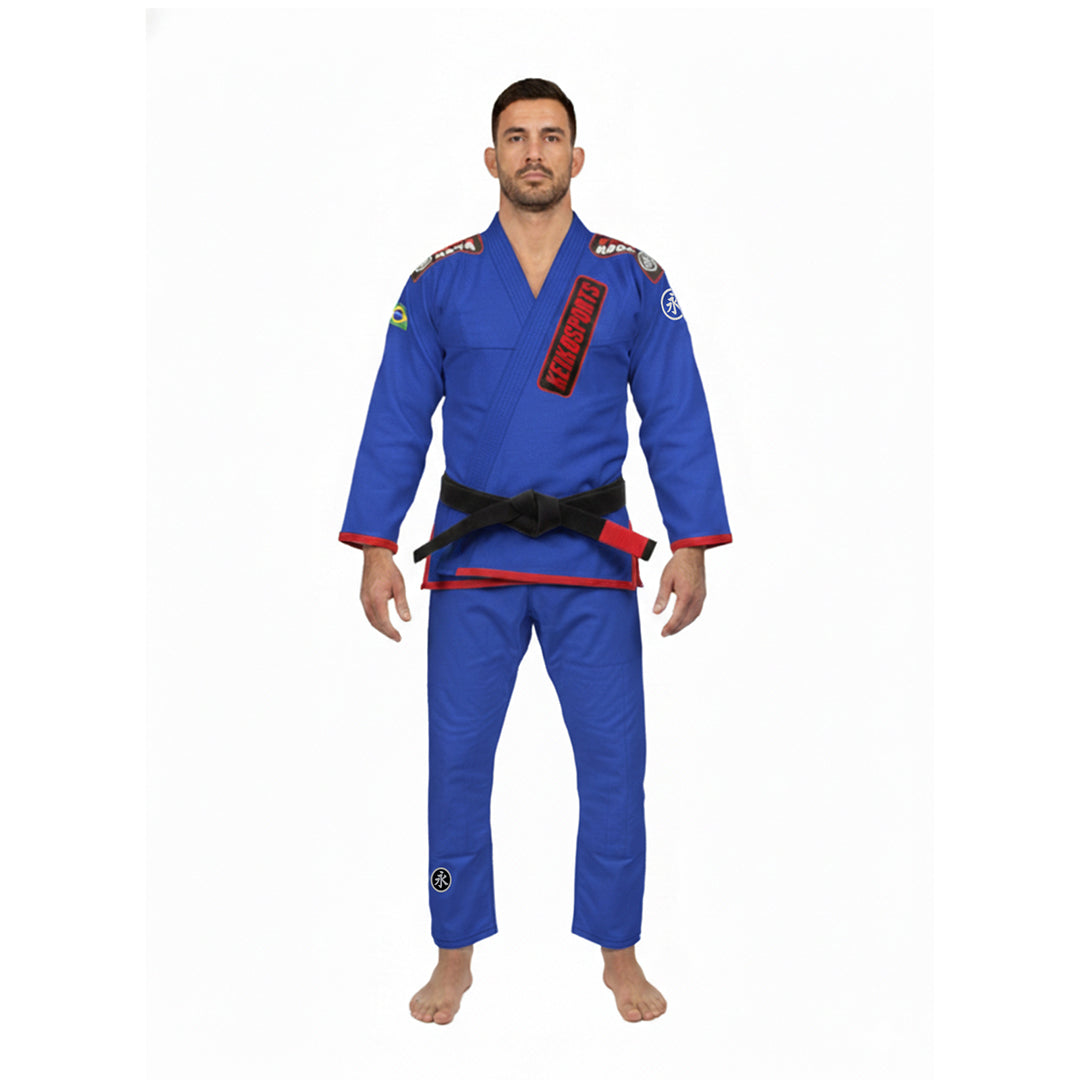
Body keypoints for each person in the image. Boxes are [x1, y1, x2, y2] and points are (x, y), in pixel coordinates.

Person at [339, 78, 732, 1024]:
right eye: (516, 137)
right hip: (473, 562)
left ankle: (619, 950)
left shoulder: (629, 278)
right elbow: (397, 418)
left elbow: (676, 415)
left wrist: (691, 542)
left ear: (577, 157)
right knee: (456, 764)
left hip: (591, 563)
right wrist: (375, 544)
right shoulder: (440, 281)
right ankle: (453, 948)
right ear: (491, 157)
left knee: (615, 763)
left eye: (551, 137)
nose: (533, 153)